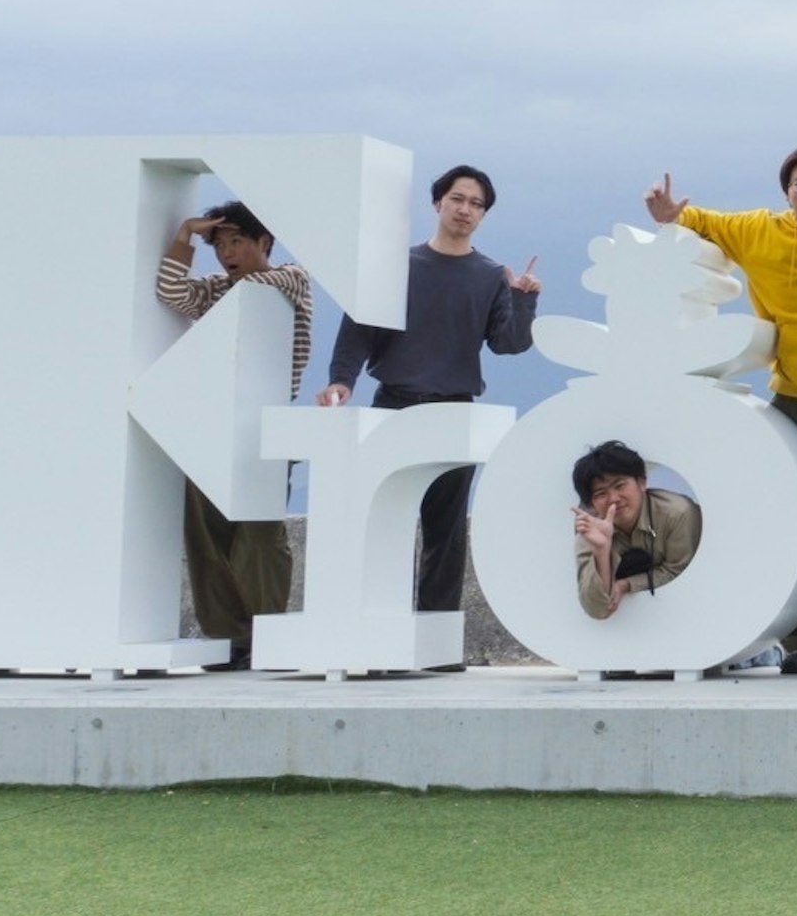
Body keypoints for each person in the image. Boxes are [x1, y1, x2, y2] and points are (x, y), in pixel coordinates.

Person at [648, 147, 797, 674]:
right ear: (786, 191)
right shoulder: (758, 231)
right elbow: (702, 220)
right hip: (791, 397)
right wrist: (671, 216)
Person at [316, 165, 540, 623]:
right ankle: (384, 632)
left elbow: (508, 344)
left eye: (477, 204)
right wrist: (342, 380)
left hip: (455, 410)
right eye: (458, 199)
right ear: (438, 203)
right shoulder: (399, 265)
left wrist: (522, 299)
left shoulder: (492, 275)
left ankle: (437, 639)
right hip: (393, 403)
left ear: (483, 216)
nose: (465, 210)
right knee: (387, 521)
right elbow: (359, 330)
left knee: (447, 529)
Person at [155, 199, 313, 667]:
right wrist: (185, 236)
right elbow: (171, 294)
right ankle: (228, 639)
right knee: (205, 535)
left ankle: (268, 634)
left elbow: (266, 281)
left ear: (264, 241)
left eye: (237, 241)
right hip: (211, 426)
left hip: (266, 426)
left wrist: (225, 283)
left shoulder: (289, 279)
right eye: (219, 244)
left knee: (259, 534)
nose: (227, 252)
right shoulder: (220, 289)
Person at [570, 440, 702, 621]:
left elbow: (681, 572)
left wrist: (627, 585)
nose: (613, 499)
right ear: (591, 503)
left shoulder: (678, 513)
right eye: (601, 494)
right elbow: (597, 609)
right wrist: (601, 550)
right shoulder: (591, 532)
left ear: (641, 482)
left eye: (620, 486)